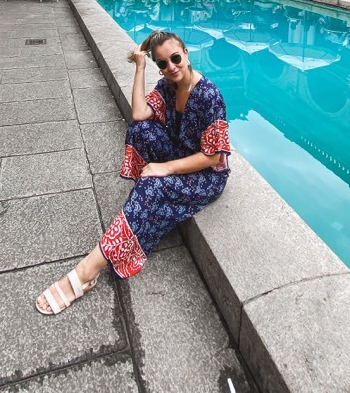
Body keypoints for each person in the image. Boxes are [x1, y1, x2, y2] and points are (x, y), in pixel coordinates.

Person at [35, 30, 230, 315]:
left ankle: (87, 271)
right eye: (162, 63)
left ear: (186, 53)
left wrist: (165, 168)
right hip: (181, 153)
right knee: (139, 131)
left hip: (207, 175)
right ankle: (144, 205)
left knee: (152, 186)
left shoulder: (209, 96)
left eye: (175, 58)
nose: (171, 67)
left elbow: (213, 156)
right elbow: (139, 114)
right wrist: (140, 67)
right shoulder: (167, 85)